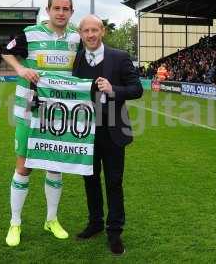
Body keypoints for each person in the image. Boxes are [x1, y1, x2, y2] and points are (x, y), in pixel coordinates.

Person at [1, 0, 80, 247]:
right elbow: (6, 52)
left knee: (55, 168)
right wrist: (21, 68)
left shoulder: (76, 38)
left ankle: (51, 219)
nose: (60, 13)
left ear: (71, 12)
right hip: (29, 112)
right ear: (48, 10)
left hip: (60, 115)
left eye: (65, 9)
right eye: (56, 8)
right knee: (24, 168)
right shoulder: (29, 33)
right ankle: (15, 223)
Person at [72, 15, 143, 255]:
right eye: (86, 31)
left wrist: (114, 90)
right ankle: (95, 223)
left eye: (94, 30)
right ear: (80, 34)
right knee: (89, 179)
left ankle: (114, 232)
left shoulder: (120, 57)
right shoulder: (79, 58)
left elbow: (137, 89)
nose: (90, 35)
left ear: (102, 31)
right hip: (86, 131)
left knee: (114, 182)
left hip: (113, 130)